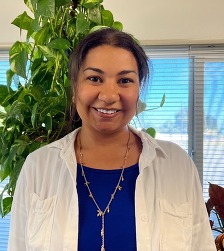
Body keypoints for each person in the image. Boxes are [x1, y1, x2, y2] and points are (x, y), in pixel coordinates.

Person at [8, 28, 216, 251]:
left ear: (138, 90)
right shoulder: (39, 167)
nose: (108, 96)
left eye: (125, 80)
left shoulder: (177, 165)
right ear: (75, 86)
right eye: (94, 78)